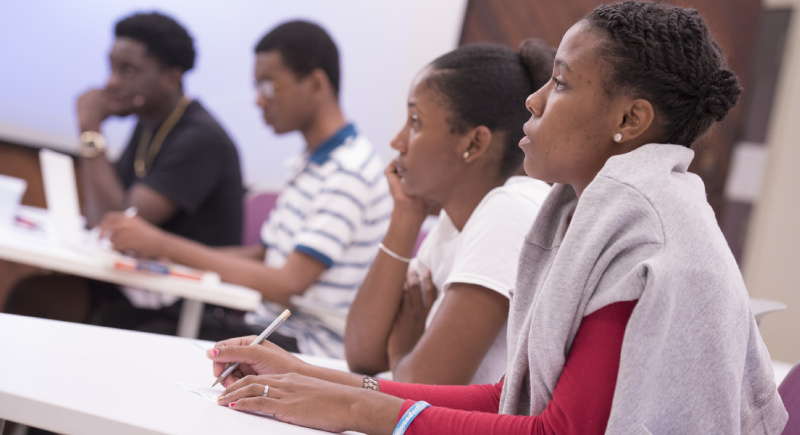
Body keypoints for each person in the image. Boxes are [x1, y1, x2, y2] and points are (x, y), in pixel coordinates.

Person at [203, 2, 788, 433]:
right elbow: (515, 398)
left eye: (559, 83)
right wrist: (316, 380)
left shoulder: (640, 224)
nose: (533, 101)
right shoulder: (603, 206)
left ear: (630, 121)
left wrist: (353, 408)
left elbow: (560, 431)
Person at [97, 20, 392, 357]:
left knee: (132, 332)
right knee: (118, 318)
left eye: (268, 86)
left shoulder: (348, 170)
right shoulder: (314, 162)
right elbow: (264, 254)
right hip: (270, 327)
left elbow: (287, 283)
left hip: (307, 347)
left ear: (315, 84)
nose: (258, 101)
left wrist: (166, 244)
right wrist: (162, 257)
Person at [4, 12, 243, 323]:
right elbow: (100, 220)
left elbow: (113, 223)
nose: (112, 82)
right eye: (112, 67)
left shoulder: (201, 139)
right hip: (138, 284)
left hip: (185, 301)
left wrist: (90, 130)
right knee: (34, 293)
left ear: (172, 78)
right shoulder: (148, 125)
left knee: (39, 299)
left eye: (127, 70)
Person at [344, 41, 554, 385]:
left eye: (414, 121)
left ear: (474, 143)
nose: (398, 141)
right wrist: (406, 215)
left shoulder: (509, 211)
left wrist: (402, 350)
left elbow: (421, 390)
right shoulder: (454, 222)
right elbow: (362, 354)